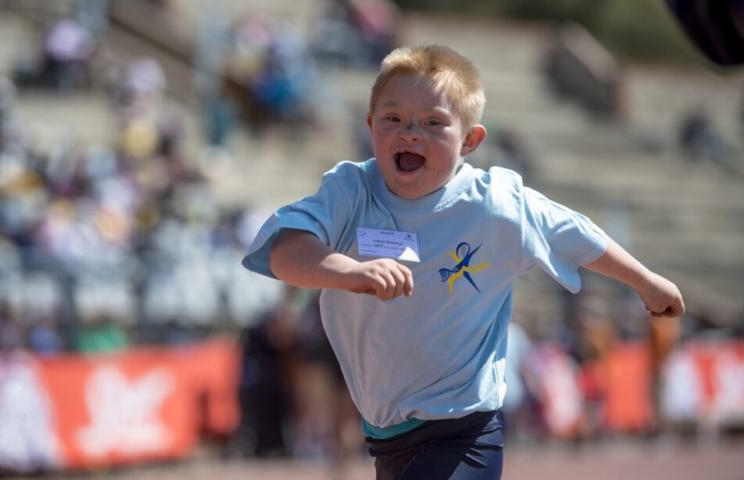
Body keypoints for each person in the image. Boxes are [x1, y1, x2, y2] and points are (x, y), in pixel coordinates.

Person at [241, 45, 684, 479]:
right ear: (371, 125)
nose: (409, 133)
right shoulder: (350, 191)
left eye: (433, 123)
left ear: (470, 140)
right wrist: (350, 271)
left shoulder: (497, 205)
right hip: (385, 436)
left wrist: (644, 281)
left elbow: (576, 232)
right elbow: (286, 252)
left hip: (464, 430)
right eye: (393, 119)